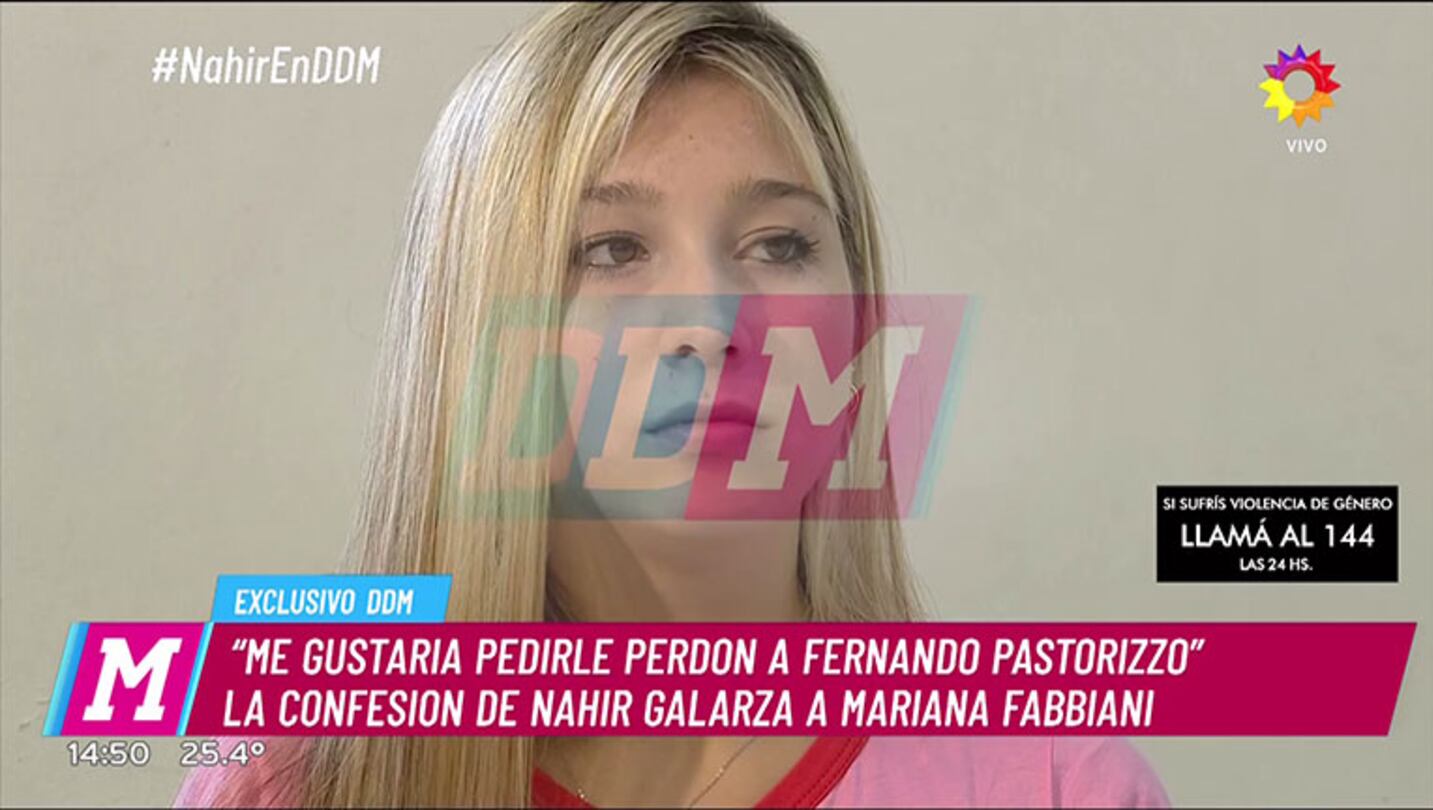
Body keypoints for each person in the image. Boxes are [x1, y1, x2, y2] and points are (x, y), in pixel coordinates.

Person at [175, 3, 1169, 807]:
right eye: (612, 249)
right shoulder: (292, 784)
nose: (712, 319)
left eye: (779, 245)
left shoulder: (1057, 782)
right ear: (474, 331)